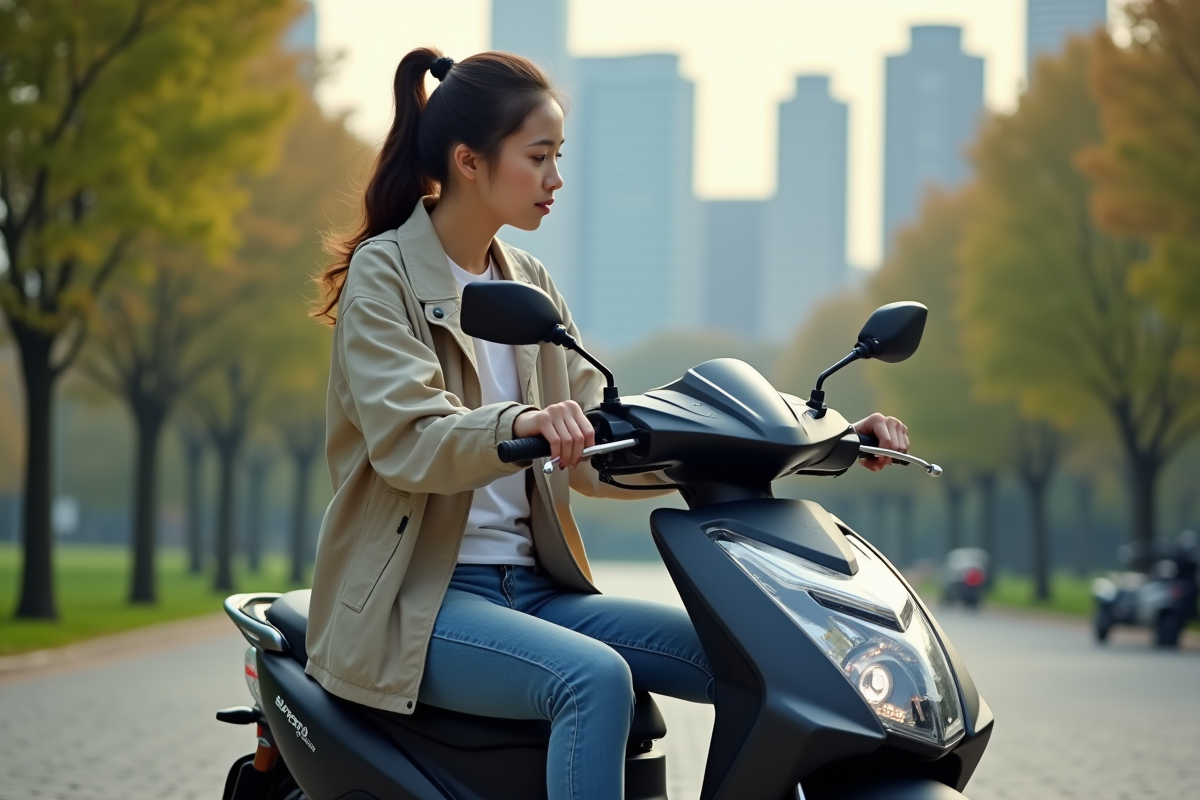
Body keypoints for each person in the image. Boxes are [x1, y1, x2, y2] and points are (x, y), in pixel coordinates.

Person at [304, 47, 912, 800]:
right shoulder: (384, 274)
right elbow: (410, 441)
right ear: (469, 160)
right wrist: (523, 419)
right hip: (421, 602)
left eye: (559, 156)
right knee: (594, 681)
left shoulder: (529, 283)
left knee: (757, 659)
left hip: (540, 589)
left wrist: (832, 435)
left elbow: (608, 437)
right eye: (539, 157)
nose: (557, 179)